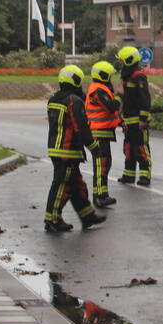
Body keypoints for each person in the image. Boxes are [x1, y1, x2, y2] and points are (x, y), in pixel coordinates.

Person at [44, 65, 106, 232]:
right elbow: (81, 128)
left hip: (57, 149)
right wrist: (94, 147)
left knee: (77, 186)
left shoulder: (54, 99)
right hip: (67, 151)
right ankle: (52, 219)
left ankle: (87, 216)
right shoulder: (74, 101)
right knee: (62, 185)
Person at [85, 60, 121, 208]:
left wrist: (121, 122)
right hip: (98, 133)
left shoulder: (100, 88)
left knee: (105, 164)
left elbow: (111, 114)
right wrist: (119, 96)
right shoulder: (98, 90)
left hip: (103, 133)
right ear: (104, 75)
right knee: (101, 165)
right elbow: (110, 108)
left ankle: (103, 194)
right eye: (109, 76)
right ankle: (99, 196)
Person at [116, 46, 152, 186]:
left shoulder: (138, 76)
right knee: (129, 148)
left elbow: (145, 99)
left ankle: (145, 176)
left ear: (129, 61)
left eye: (122, 61)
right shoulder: (126, 76)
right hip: (129, 120)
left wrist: (143, 120)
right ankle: (129, 175)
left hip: (138, 121)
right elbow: (128, 99)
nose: (121, 64)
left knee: (141, 148)